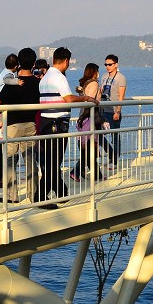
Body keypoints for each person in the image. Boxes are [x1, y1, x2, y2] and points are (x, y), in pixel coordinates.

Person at [37, 47, 97, 206]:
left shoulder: (45, 77)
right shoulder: (59, 77)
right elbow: (69, 99)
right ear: (66, 61)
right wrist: (86, 98)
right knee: (54, 160)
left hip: (45, 121)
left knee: (51, 160)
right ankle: (40, 196)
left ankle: (61, 191)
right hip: (57, 122)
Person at [0, 48, 40, 204]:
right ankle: (33, 195)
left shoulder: (11, 83)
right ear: (34, 63)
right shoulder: (37, 83)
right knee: (30, 161)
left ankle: (12, 196)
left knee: (10, 162)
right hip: (30, 125)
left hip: (12, 126)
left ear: (19, 63)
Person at [71, 63, 105, 182]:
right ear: (94, 72)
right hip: (91, 117)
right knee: (91, 148)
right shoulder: (94, 83)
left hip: (84, 117)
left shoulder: (85, 84)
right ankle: (75, 171)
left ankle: (97, 175)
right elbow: (90, 100)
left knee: (90, 147)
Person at [0, 54, 21, 189]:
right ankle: (3, 178)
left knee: (3, 150)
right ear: (16, 66)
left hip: (2, 113)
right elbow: (7, 80)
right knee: (6, 150)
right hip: (4, 114)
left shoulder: (3, 72)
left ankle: (1, 178)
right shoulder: (8, 75)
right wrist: (18, 82)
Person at [100, 54, 127, 167]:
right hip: (103, 110)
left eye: (110, 64)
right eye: (106, 64)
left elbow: (121, 96)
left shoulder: (121, 78)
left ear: (116, 64)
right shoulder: (104, 76)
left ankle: (115, 160)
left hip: (114, 111)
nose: (107, 66)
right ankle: (111, 155)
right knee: (99, 135)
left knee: (115, 135)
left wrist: (118, 111)